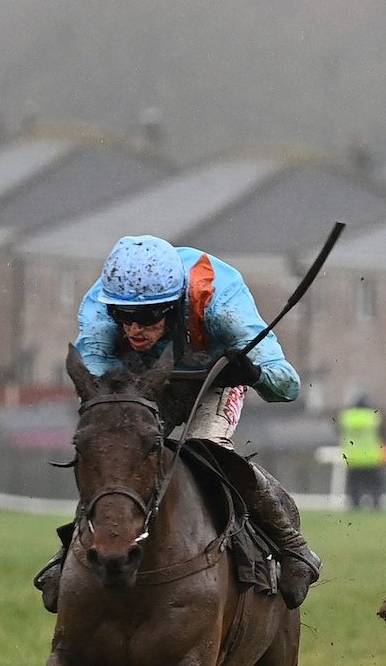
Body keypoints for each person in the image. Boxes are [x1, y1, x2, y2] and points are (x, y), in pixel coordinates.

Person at [35, 235, 323, 610]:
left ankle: (293, 547)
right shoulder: (99, 311)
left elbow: (288, 386)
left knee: (209, 450)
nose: (135, 329)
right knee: (114, 451)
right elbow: (98, 398)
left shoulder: (220, 300)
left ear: (175, 304)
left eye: (149, 317)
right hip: (145, 381)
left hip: (211, 383)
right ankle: (69, 552)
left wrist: (251, 373)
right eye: (125, 318)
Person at [339, 394, 386, 510]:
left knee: (354, 486)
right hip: (372, 458)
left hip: (353, 459)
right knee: (375, 486)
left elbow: (338, 432)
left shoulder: (346, 417)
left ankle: (355, 507)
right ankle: (376, 506)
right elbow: (383, 434)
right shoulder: (374, 417)